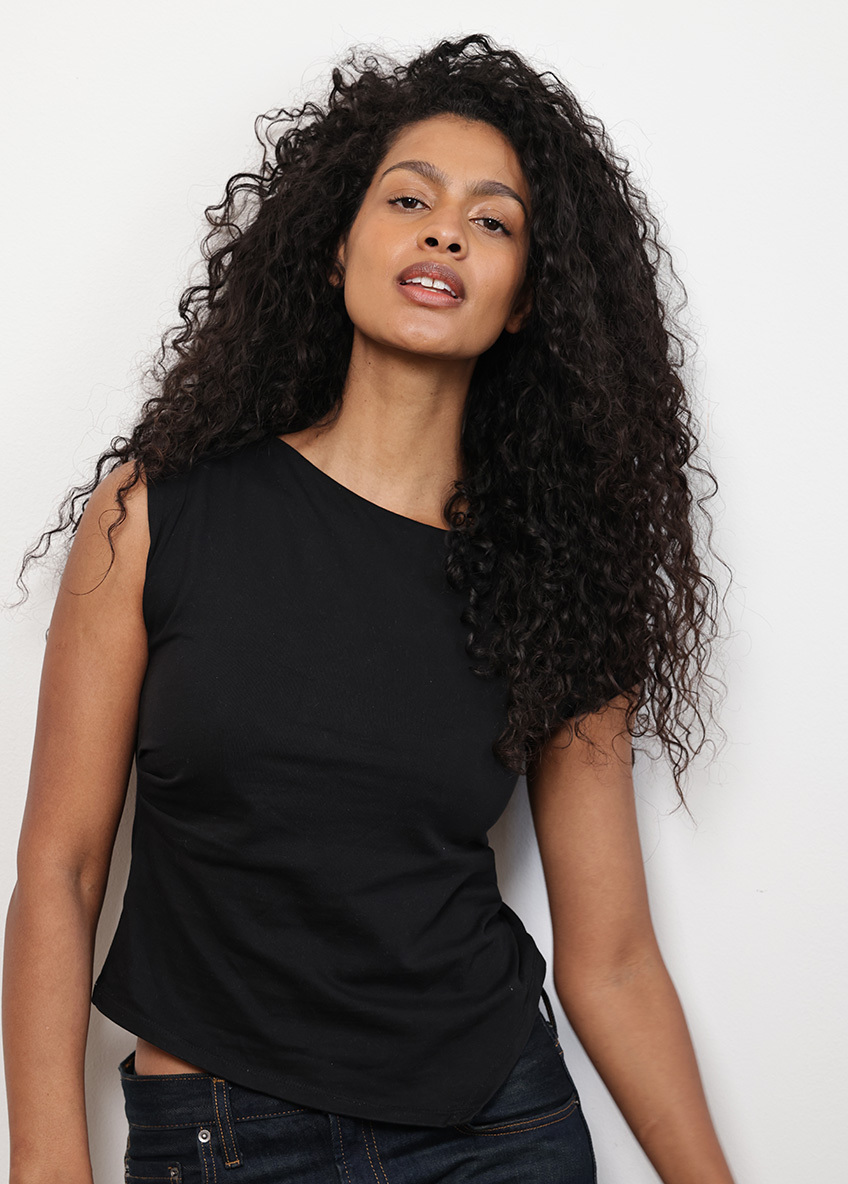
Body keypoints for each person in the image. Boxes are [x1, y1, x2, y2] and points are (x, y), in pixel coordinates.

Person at [3, 32, 736, 1184]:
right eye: (409, 199)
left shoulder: (559, 580)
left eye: (491, 221)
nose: (445, 232)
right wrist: (48, 1162)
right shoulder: (155, 514)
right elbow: (61, 868)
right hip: (222, 1140)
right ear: (339, 240)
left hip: (493, 1133)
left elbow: (611, 959)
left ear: (524, 299)